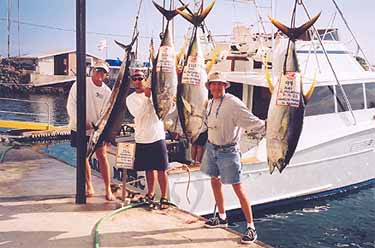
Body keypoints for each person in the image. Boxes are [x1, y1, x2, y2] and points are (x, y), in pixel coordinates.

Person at [201, 71, 265, 244]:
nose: (216, 87)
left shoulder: (234, 103)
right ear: (209, 87)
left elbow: (252, 121)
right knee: (214, 181)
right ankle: (222, 218)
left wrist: (268, 128)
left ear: (225, 86)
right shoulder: (209, 103)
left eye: (220, 84)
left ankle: (251, 228)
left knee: (238, 188)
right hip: (211, 147)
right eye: (213, 84)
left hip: (228, 151)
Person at [66, 61, 115, 201]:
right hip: (79, 128)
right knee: (83, 157)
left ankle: (108, 189)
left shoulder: (107, 92)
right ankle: (89, 186)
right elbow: (71, 104)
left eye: (103, 72)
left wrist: (100, 129)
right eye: (97, 70)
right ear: (93, 70)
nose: (100, 74)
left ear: (106, 75)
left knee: (102, 156)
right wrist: (81, 123)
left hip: (97, 130)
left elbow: (107, 114)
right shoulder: (80, 84)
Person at [126, 69, 170, 209]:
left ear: (145, 79)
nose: (138, 81)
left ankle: (164, 197)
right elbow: (137, 114)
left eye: (140, 78)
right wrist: (148, 98)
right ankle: (150, 194)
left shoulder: (156, 95)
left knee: (162, 170)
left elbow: (169, 109)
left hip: (157, 137)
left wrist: (152, 97)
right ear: (132, 82)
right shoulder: (130, 99)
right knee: (148, 170)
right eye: (135, 79)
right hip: (142, 139)